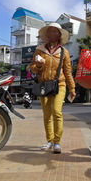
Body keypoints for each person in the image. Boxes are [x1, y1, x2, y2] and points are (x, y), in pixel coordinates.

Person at [30, 22, 76, 154]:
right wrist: (38, 66)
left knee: (56, 111)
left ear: (59, 35)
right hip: (43, 85)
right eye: (49, 32)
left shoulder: (63, 52)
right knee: (46, 115)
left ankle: (57, 142)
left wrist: (72, 88)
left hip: (59, 85)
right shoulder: (39, 50)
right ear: (46, 35)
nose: (51, 34)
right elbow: (31, 68)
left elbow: (67, 72)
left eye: (54, 32)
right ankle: (49, 141)